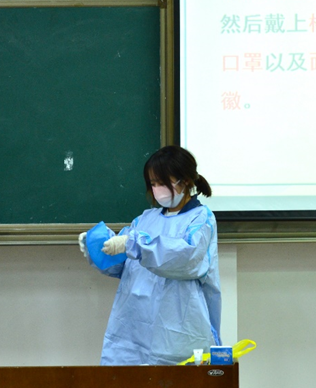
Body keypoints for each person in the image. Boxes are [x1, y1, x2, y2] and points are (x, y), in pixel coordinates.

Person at [79, 145, 221, 365]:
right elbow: (123, 266)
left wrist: (133, 244)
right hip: (131, 331)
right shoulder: (145, 219)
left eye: (162, 183)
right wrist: (98, 248)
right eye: (153, 184)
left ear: (185, 181)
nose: (157, 189)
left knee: (175, 386)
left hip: (175, 335)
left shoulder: (201, 219)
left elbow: (185, 258)